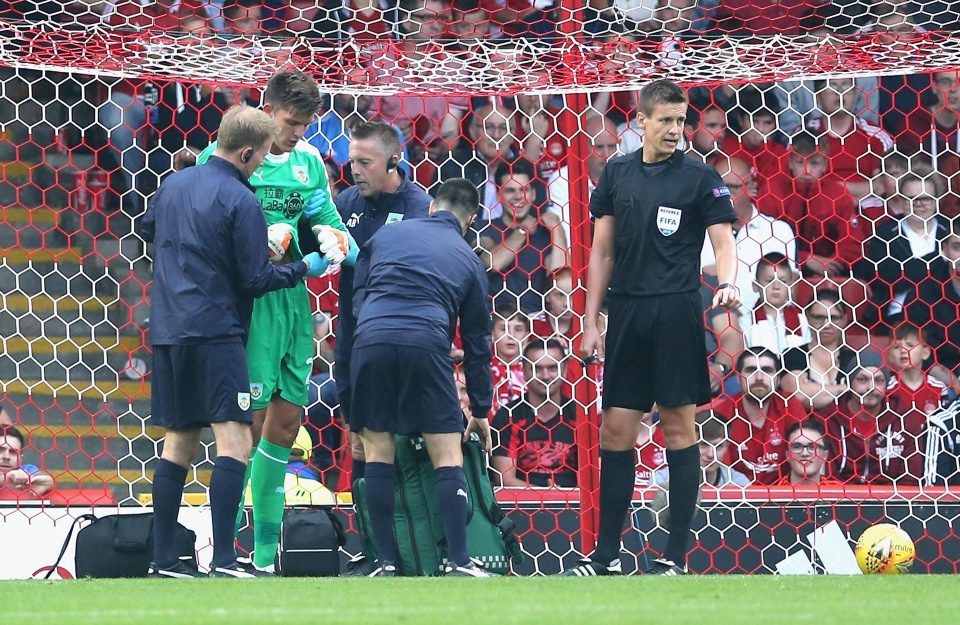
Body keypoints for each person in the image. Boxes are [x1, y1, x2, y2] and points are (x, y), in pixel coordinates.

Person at [562, 79, 741, 577]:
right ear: (640, 121)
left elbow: (723, 242)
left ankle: (672, 559)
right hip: (628, 313)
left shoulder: (699, 175)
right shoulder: (617, 173)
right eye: (664, 119)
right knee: (616, 432)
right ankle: (606, 558)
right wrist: (591, 321)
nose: (674, 129)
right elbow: (601, 252)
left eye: (681, 120)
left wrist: (725, 283)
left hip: (677, 313)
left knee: (680, 428)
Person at [140, 105, 327, 578]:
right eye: (261, 156)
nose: (263, 163)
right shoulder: (241, 199)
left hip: (167, 329)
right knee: (235, 442)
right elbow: (255, 278)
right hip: (218, 331)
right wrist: (305, 266)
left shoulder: (174, 185)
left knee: (178, 442)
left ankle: (164, 560)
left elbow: (147, 229)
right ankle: (225, 558)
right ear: (245, 150)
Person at [196, 69, 355, 574]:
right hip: (249, 302)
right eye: (290, 122)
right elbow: (207, 219)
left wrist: (339, 241)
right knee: (253, 420)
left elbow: (326, 217)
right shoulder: (225, 155)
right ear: (266, 109)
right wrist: (263, 233)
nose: (297, 133)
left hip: (293, 299)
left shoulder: (309, 161)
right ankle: (237, 546)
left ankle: (266, 559)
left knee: (286, 423)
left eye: (305, 124)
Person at [350, 178, 494, 577]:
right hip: (426, 342)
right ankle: (461, 562)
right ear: (472, 218)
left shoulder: (387, 235)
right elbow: (479, 344)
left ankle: (386, 562)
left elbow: (358, 297)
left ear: (432, 206)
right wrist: (481, 407)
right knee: (446, 453)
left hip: (371, 340)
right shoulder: (467, 259)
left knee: (379, 451)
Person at [331, 120, 433, 572]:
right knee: (359, 445)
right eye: (352, 161)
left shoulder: (419, 207)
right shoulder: (344, 204)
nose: (355, 170)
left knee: (408, 442)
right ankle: (374, 550)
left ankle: (415, 547)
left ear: (394, 161)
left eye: (364, 162)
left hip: (406, 336)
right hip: (355, 337)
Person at [826, 351, 928, 485]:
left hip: (892, 502)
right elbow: (825, 476)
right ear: (850, 382)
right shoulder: (828, 420)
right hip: (840, 500)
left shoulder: (905, 420)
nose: (871, 387)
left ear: (887, 385)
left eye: (879, 380)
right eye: (862, 379)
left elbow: (911, 479)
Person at [491, 339, 578, 488]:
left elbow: (594, 475)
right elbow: (504, 480)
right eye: (537, 368)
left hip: (576, 504)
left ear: (564, 371)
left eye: (552, 368)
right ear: (524, 372)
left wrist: (565, 497)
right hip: (522, 505)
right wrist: (548, 496)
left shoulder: (579, 415)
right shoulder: (508, 416)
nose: (545, 376)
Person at [717, 348, 809, 484]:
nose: (759, 377)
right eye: (751, 370)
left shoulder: (789, 405)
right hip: (739, 498)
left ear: (777, 379)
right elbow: (722, 472)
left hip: (785, 496)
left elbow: (807, 454)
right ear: (738, 378)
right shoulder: (723, 412)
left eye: (767, 371)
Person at [652, 415, 751, 489]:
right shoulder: (660, 481)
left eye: (719, 446)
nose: (710, 454)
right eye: (703, 445)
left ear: (726, 447)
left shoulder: (739, 484)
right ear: (689, 444)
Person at [747, 253, 809, 355]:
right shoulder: (746, 322)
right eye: (769, 280)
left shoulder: (802, 320)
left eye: (783, 281)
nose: (776, 286)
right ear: (755, 286)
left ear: (791, 286)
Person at [776, 419, 835, 486]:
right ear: (787, 455)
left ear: (825, 455)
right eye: (797, 447)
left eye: (812, 447)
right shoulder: (772, 494)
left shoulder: (839, 493)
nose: (805, 453)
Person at [0, 425, 53, 497]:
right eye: (0, 450)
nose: (6, 457)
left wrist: (49, 483)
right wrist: (7, 478)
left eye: (13, 452)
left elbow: (42, 478)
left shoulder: (27, 469)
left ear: (21, 458)